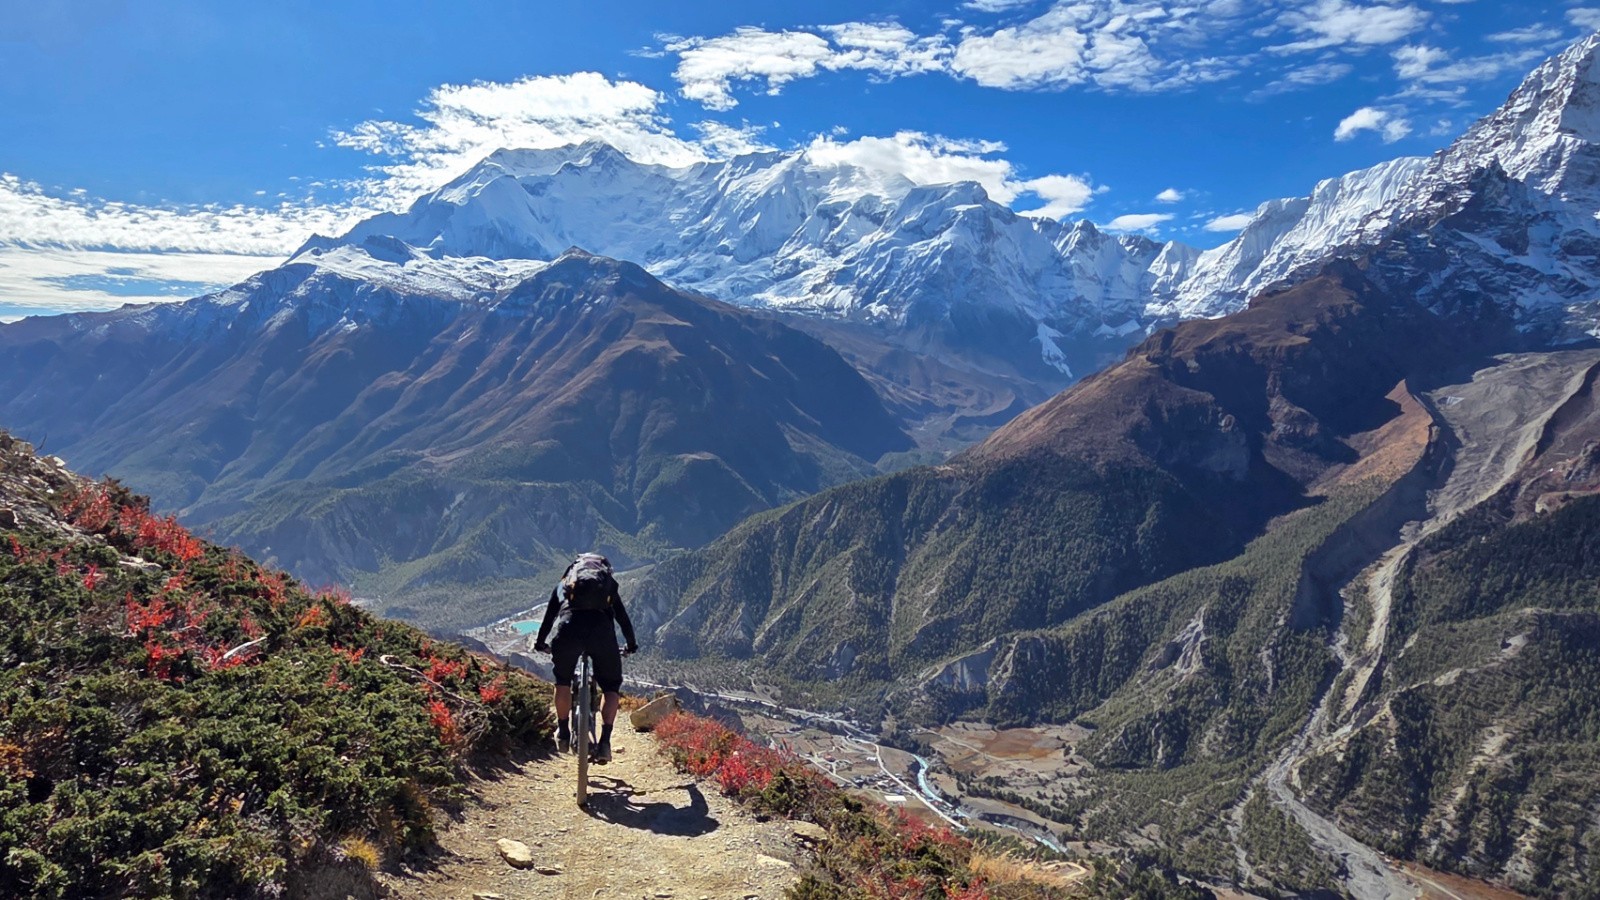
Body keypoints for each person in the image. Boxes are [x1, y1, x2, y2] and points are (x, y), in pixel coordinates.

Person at [533, 552, 638, 764]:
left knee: (562, 681)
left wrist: (540, 642)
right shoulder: (607, 586)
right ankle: (605, 742)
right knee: (610, 687)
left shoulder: (565, 585)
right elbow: (622, 618)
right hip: (601, 634)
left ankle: (563, 732)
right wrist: (631, 644)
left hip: (569, 630)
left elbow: (549, 617)